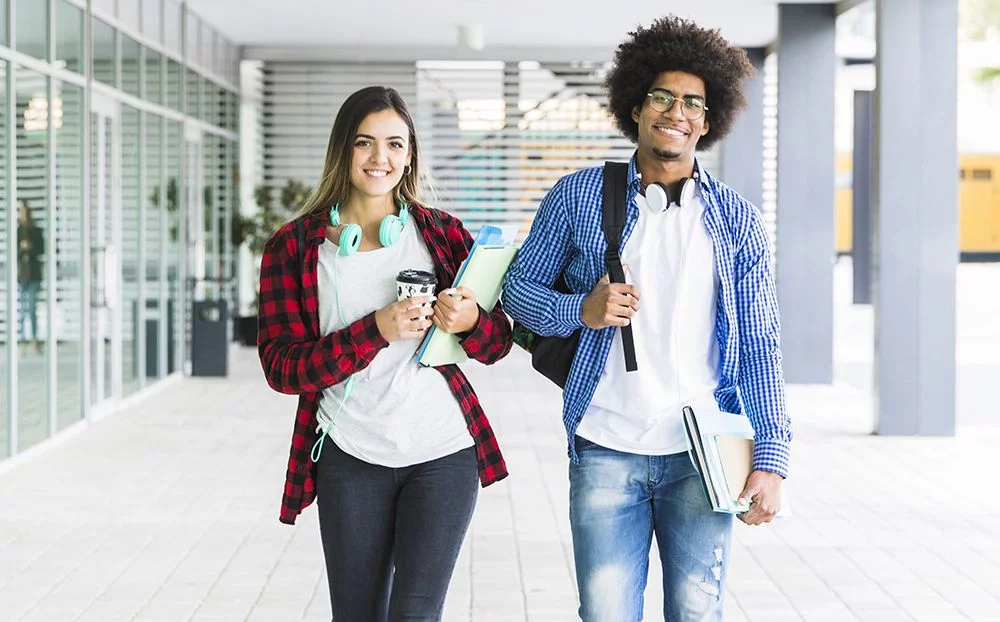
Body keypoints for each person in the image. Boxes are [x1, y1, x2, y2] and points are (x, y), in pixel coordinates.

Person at [502, 16, 792, 621]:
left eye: (693, 102)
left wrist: (771, 457)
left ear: (708, 122)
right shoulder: (577, 195)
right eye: (662, 96)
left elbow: (760, 343)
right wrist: (580, 310)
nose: (676, 112)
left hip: (703, 452)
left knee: (697, 614)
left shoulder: (736, 221)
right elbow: (518, 294)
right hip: (607, 444)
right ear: (636, 106)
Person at [257, 85, 511, 622]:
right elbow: (282, 368)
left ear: (410, 153)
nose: (381, 158)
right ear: (342, 150)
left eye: (395, 144)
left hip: (442, 452)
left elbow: (497, 344)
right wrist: (374, 330)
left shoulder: (441, 235)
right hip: (351, 457)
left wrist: (469, 323)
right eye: (364, 143)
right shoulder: (296, 248)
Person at [17, 200, 44, 356]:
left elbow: (41, 250)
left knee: (32, 309)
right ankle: (22, 341)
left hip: (33, 276)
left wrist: (30, 247)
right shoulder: (18, 232)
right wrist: (22, 249)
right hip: (21, 276)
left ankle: (34, 339)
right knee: (21, 311)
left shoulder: (36, 231)